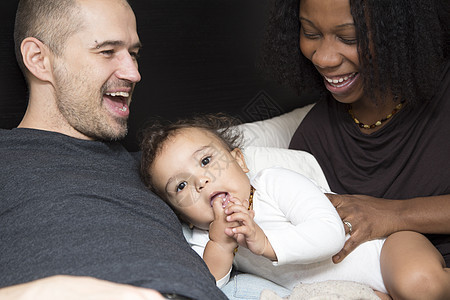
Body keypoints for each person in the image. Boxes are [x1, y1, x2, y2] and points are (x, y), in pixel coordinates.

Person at [0, 0, 227, 299]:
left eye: (133, 54)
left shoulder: (159, 169)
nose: (133, 74)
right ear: (39, 59)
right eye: (107, 51)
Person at [138, 114, 449, 299]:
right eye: (181, 186)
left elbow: (330, 232)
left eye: (206, 161)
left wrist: (264, 242)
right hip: (350, 289)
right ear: (181, 215)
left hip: (385, 251)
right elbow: (209, 287)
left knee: (418, 284)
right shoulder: (205, 237)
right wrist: (220, 245)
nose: (202, 181)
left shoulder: (273, 184)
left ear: (239, 161)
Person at [259, 0, 450, 299]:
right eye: (310, 33)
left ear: (402, 32)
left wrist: (395, 214)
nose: (323, 57)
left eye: (349, 38)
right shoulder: (313, 139)